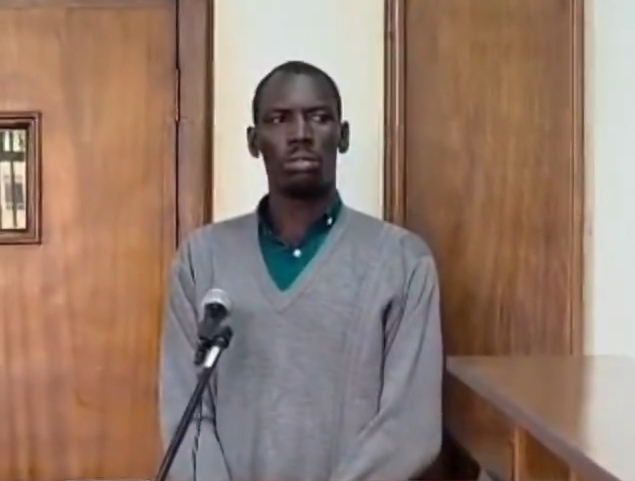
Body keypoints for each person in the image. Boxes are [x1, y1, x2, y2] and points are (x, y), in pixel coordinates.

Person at [159, 60, 443, 481]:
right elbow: (187, 415)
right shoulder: (202, 260)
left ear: (342, 136)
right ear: (254, 141)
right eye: (279, 119)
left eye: (319, 117)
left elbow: (410, 428)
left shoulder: (403, 262)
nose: (300, 134)